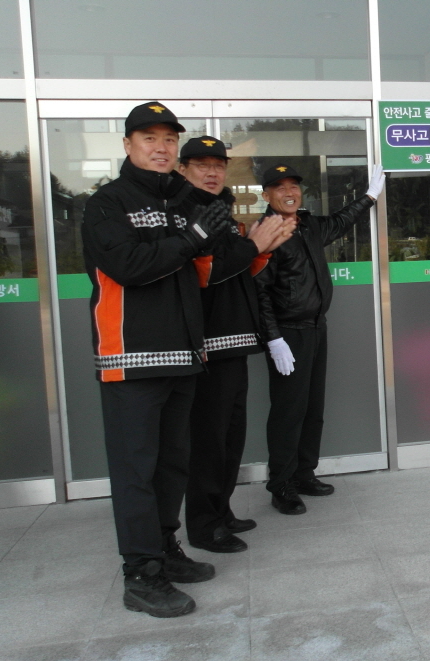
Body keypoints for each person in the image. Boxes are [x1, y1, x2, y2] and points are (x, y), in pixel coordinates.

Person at [83, 102, 235, 617]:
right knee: (136, 470)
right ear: (128, 145)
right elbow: (128, 266)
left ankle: (166, 548)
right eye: (149, 138)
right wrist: (191, 239)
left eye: (169, 139)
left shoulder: (185, 202)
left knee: (172, 464)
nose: (161, 147)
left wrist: (227, 240)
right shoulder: (107, 202)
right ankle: (141, 573)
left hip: (183, 353)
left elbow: (204, 271)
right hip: (131, 355)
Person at [176, 136, 293, 553]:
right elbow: (203, 273)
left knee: (230, 434)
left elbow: (238, 269)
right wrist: (253, 246)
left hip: (235, 339)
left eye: (218, 165)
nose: (212, 173)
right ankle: (203, 525)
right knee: (208, 439)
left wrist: (262, 251)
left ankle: (221, 509)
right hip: (207, 342)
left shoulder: (222, 212)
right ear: (182, 169)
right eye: (202, 165)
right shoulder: (182, 213)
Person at [256, 162, 385, 515]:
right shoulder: (265, 233)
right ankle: (281, 485)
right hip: (288, 334)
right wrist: (273, 339)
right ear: (266, 195)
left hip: (316, 328)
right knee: (288, 412)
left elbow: (340, 222)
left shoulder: (308, 225)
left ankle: (303, 474)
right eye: (280, 187)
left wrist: (369, 197)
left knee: (313, 408)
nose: (289, 193)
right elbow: (259, 292)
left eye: (293, 186)